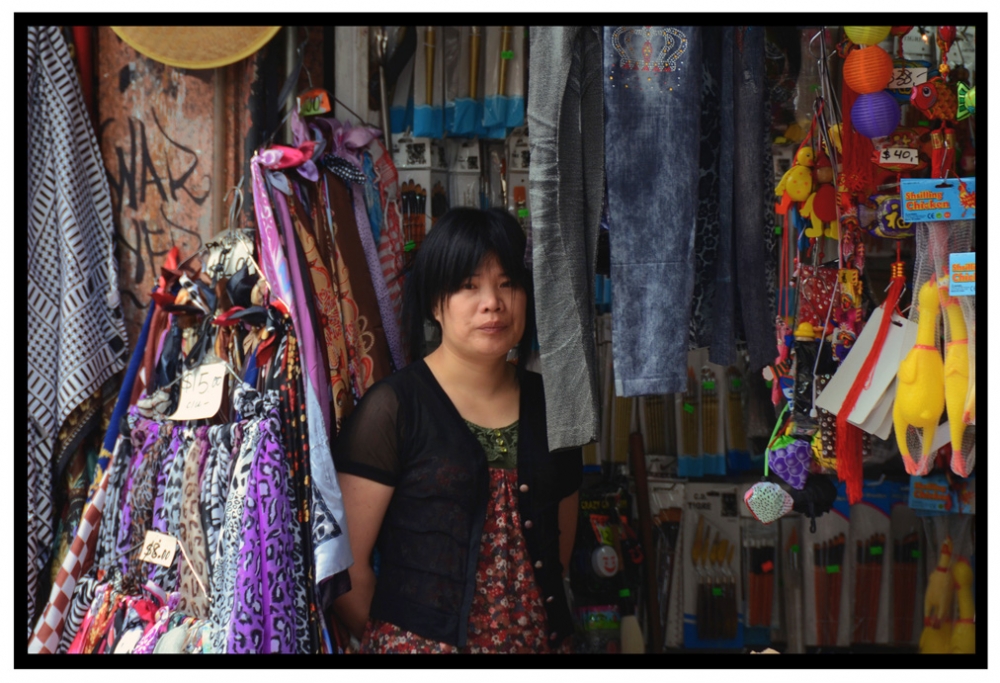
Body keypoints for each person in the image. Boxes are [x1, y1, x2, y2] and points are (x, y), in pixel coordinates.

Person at [330, 207, 582, 653]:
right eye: (469, 286)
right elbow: (346, 568)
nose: (493, 303)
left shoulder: (555, 406)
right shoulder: (394, 409)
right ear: (435, 303)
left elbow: (559, 555)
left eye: (508, 283)